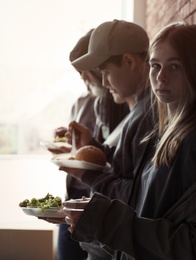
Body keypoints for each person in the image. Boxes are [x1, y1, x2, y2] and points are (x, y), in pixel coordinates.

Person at [62, 22, 196, 260]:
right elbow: (147, 214)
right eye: (155, 66)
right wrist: (95, 221)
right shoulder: (165, 136)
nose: (161, 77)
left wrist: (106, 220)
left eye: (174, 67)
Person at [59, 19, 154, 259]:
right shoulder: (139, 112)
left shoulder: (145, 117)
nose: (103, 83)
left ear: (130, 61)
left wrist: (86, 174)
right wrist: (93, 146)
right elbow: (127, 168)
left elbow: (136, 194)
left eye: (106, 73)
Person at [53, 29, 130, 260]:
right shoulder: (85, 102)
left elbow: (114, 161)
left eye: (84, 71)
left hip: (100, 203)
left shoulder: (121, 103)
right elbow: (91, 152)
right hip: (77, 196)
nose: (82, 78)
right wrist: (70, 144)